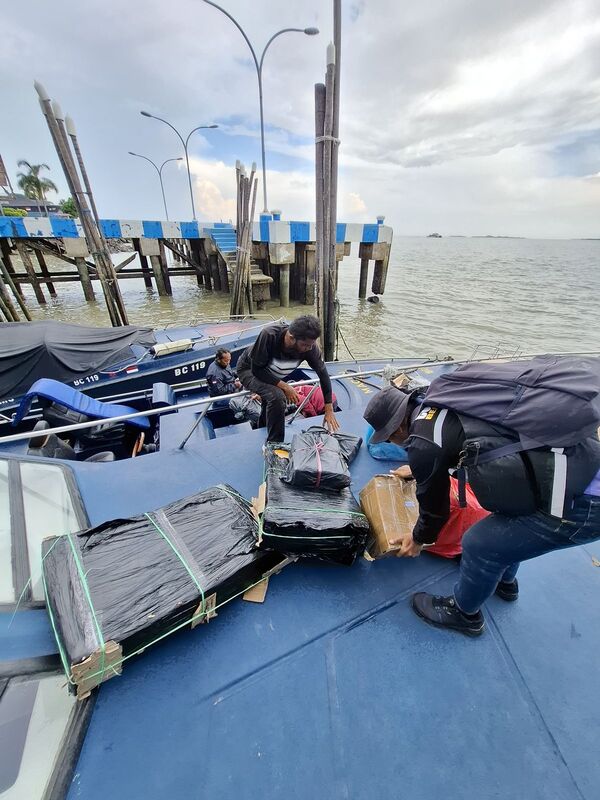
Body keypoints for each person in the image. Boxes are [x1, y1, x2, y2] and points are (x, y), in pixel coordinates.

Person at [363, 384, 600, 638]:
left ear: (398, 428)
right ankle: (504, 583)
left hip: (582, 500)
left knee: (479, 543)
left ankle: (465, 615)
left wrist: (419, 539)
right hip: (576, 460)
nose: (391, 443)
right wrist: (427, 466)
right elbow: (459, 441)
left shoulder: (422, 444)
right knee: (511, 521)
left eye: (388, 438)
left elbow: (434, 511)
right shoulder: (440, 401)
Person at [237, 315, 339, 444]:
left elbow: (323, 374)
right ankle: (275, 444)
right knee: (277, 396)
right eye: (305, 345)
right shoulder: (269, 335)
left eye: (311, 344)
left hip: (272, 372)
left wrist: (328, 409)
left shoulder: (310, 348)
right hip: (250, 370)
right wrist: (285, 387)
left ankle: (261, 427)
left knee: (269, 399)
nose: (309, 348)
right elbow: (257, 370)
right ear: (291, 338)